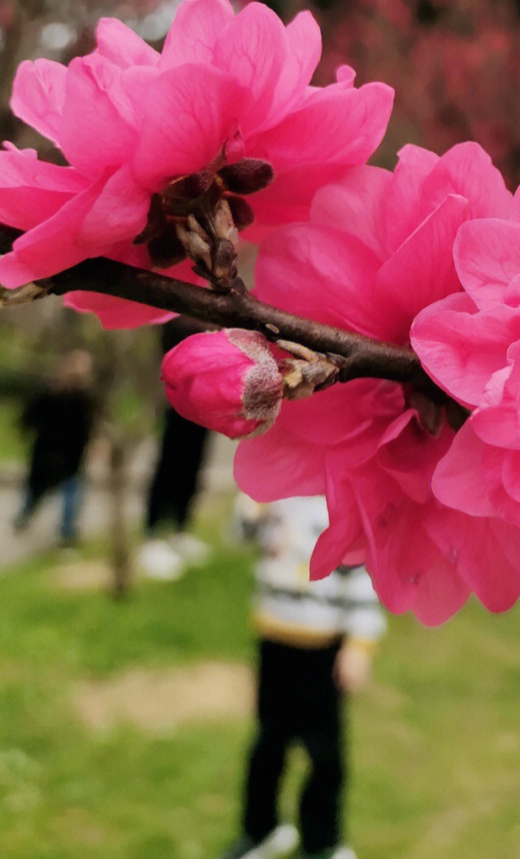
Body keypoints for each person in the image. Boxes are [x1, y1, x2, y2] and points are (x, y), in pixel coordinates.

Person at [222, 494, 385, 859]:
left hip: (321, 652)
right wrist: (252, 503)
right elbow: (237, 535)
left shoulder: (346, 500)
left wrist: (359, 644)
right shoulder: (276, 494)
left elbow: (365, 578)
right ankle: (261, 829)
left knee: (324, 755)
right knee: (267, 744)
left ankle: (322, 840)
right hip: (275, 640)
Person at [138, 319, 213, 581]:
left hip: (205, 405)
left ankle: (180, 528)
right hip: (176, 402)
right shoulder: (173, 319)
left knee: (193, 466)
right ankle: (152, 533)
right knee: (168, 466)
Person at [13, 348, 96, 546]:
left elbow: (88, 426)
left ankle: (67, 533)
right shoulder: (49, 394)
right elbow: (28, 418)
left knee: (71, 496)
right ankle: (24, 517)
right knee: (36, 490)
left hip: (72, 455)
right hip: (47, 451)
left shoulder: (84, 399)